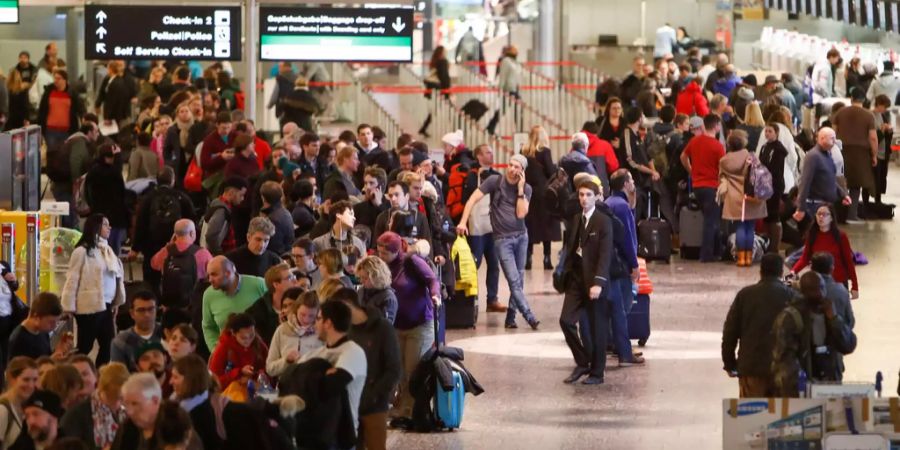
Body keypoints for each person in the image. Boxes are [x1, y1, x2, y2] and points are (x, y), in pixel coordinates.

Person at [456, 155, 539, 329]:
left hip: (522, 237)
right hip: (502, 240)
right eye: (510, 164)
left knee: (520, 278)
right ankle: (529, 315)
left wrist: (521, 189)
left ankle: (511, 318)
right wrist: (463, 222)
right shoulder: (495, 181)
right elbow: (472, 199)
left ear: (522, 171)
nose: (512, 169)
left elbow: (521, 214)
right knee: (513, 279)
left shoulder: (527, 189)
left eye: (517, 167)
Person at [374, 232, 437, 419]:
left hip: (419, 324)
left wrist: (435, 295)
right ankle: (404, 408)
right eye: (378, 252)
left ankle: (411, 411)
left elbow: (432, 279)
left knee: (412, 370)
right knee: (399, 371)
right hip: (397, 325)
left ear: (396, 251)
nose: (380, 257)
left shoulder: (411, 262)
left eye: (384, 253)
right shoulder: (383, 267)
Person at [331, 288, 400, 450]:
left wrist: (374, 395)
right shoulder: (343, 331)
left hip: (374, 405)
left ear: (347, 305)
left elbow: (394, 368)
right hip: (348, 406)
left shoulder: (382, 328)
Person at [560, 180, 613, 386]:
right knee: (566, 320)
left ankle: (597, 373)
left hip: (594, 282)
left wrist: (599, 282)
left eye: (588, 195)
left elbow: (605, 255)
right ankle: (583, 361)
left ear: (597, 197)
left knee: (597, 327)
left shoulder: (603, 221)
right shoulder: (576, 219)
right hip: (576, 280)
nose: (584, 199)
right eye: (581, 195)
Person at [771, 272, 857, 396]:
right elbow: (785, 359)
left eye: (822, 288)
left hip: (830, 384)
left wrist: (834, 319)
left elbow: (848, 345)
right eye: (813, 290)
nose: (819, 293)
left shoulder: (830, 313)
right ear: (803, 292)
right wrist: (806, 386)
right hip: (800, 389)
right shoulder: (790, 318)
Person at [721, 253, 795, 397]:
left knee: (753, 417)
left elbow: (730, 331)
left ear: (761, 271)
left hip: (751, 367)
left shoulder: (745, 295)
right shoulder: (791, 296)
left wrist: (729, 363)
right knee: (781, 416)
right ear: (781, 272)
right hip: (783, 370)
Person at [61, 214, 125, 366]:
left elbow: (115, 277)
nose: (109, 228)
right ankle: (70, 371)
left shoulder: (108, 250)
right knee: (85, 346)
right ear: (95, 227)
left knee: (108, 344)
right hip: (88, 307)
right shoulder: (82, 251)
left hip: (106, 305)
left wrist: (116, 302)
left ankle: (99, 377)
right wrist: (68, 306)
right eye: (105, 224)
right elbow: (72, 279)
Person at [299, 300, 367, 438]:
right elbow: (292, 378)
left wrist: (312, 376)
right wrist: (323, 374)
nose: (315, 324)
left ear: (328, 323)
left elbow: (331, 386)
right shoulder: (316, 353)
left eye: (318, 319)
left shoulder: (353, 351)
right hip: (314, 432)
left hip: (341, 434)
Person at [131, 168, 197, 295]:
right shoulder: (182, 198)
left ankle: (153, 304)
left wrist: (135, 247)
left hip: (152, 246)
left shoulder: (148, 199)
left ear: (157, 180)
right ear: (172, 180)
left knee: (152, 280)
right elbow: (192, 222)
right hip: (178, 246)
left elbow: (141, 225)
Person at [680, 114, 726, 262]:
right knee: (711, 221)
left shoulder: (695, 141)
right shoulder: (718, 146)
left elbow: (683, 156)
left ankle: (717, 251)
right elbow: (722, 168)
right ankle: (706, 255)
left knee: (710, 219)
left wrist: (691, 170)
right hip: (711, 186)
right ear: (717, 126)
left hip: (697, 186)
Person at [718, 130, 767, 266]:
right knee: (750, 228)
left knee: (739, 227)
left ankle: (740, 258)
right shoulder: (750, 156)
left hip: (734, 197)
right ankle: (748, 258)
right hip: (750, 196)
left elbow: (721, 177)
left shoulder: (724, 160)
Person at [200, 256, 268, 350]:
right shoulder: (209, 294)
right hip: (229, 356)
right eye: (208, 276)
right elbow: (208, 327)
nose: (210, 279)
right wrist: (215, 350)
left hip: (260, 351)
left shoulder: (258, 284)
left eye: (214, 275)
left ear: (228, 273)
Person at [791, 203, 859, 295]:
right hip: (819, 282)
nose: (821, 217)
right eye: (819, 214)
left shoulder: (841, 236)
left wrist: (855, 286)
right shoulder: (812, 235)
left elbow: (848, 261)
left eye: (825, 214)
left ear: (831, 218)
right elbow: (805, 258)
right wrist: (793, 272)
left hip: (838, 282)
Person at [60, 362, 129, 450]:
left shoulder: (126, 411)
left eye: (120, 399)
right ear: (102, 389)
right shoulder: (76, 416)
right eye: (113, 398)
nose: (118, 404)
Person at [792, 128, 852, 225]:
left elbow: (830, 179)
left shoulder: (827, 155)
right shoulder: (813, 156)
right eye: (831, 139)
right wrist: (801, 208)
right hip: (815, 206)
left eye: (834, 138)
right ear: (822, 138)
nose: (834, 141)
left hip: (826, 205)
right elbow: (805, 182)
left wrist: (843, 194)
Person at [150, 219, 213, 311]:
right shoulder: (202, 253)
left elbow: (153, 264)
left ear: (175, 235)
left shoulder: (166, 251)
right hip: (193, 305)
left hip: (169, 305)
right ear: (192, 233)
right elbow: (213, 271)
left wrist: (169, 245)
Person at [833, 95, 878, 221]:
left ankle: (839, 214)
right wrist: (874, 155)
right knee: (856, 185)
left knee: (841, 182)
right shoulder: (869, 115)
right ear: (863, 100)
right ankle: (851, 215)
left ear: (851, 99)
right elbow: (873, 137)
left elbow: (833, 133)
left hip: (841, 151)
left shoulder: (840, 113)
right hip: (861, 153)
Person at [521, 125, 561, 270]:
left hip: (528, 192)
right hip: (543, 193)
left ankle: (528, 258)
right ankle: (546, 258)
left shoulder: (523, 152)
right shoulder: (545, 151)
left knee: (530, 225)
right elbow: (551, 171)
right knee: (547, 227)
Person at [169, 355, 222, 450]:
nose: (170, 381)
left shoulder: (204, 413)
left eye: (175, 377)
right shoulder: (174, 403)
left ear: (190, 380)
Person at [84, 144, 129, 255]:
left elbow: (87, 192)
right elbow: (122, 194)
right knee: (114, 246)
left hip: (98, 213)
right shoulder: (115, 173)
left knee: (99, 243)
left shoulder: (93, 171)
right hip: (115, 216)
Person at [266, 291, 322, 377]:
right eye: (302, 314)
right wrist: (286, 361)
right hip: (286, 386)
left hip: (313, 386)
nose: (306, 320)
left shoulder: (322, 333)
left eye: (311, 316)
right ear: (296, 310)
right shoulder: (282, 330)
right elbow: (270, 369)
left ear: (318, 314)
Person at [208, 313, 268, 393]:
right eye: (243, 338)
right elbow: (214, 381)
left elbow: (269, 366)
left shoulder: (257, 342)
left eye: (251, 335)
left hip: (256, 391)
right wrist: (239, 372)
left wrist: (259, 375)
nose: (248, 340)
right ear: (233, 333)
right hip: (231, 395)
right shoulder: (223, 348)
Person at [110, 292, 162, 372]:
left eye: (151, 309)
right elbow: (119, 376)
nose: (147, 314)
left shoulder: (168, 334)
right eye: (141, 310)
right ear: (132, 313)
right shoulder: (121, 341)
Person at [246, 263, 297, 345]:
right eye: (290, 278)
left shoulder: (301, 302)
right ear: (276, 284)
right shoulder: (256, 312)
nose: (295, 281)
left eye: (294, 277)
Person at [8, 293, 68, 361]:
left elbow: (45, 357)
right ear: (36, 317)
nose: (54, 326)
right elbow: (19, 370)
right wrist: (51, 360)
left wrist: (58, 351)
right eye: (51, 322)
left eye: (57, 322)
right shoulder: (19, 339)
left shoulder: (43, 332)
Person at [200, 176, 249, 256]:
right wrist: (219, 254)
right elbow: (211, 236)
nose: (242, 198)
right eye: (241, 195)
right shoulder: (221, 211)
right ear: (231, 192)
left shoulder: (216, 203)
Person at [758, 124, 788, 253]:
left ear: (776, 133)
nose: (767, 133)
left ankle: (774, 247)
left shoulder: (778, 149)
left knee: (774, 215)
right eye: (766, 131)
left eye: (770, 131)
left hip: (774, 184)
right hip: (764, 184)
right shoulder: (765, 147)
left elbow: (775, 168)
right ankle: (768, 243)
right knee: (767, 215)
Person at [37, 69, 82, 151]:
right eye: (55, 78)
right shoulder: (49, 92)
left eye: (58, 78)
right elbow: (42, 110)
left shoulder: (71, 93)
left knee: (65, 154)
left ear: (65, 80)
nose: (56, 81)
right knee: (52, 154)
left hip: (67, 130)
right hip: (50, 130)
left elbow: (80, 108)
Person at [0, 357, 39, 449]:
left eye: (34, 380)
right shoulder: (2, 410)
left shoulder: (26, 407)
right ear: (11, 379)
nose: (31, 385)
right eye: (26, 379)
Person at [95, 61, 137, 131]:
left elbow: (113, 101)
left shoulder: (117, 83)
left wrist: (108, 117)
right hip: (113, 115)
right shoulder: (110, 80)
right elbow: (102, 92)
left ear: (111, 69)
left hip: (116, 116)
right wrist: (98, 104)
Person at [355, 256, 398, 324]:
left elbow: (386, 328)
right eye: (360, 277)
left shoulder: (388, 298)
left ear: (376, 277)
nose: (361, 281)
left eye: (365, 278)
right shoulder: (361, 291)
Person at [420, 46, 451, 137]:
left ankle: (424, 128)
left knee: (434, 110)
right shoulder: (443, 62)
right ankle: (453, 130)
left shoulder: (434, 62)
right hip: (440, 90)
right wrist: (447, 91)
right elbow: (444, 77)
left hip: (432, 89)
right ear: (442, 53)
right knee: (446, 110)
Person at [199, 112, 236, 182]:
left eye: (228, 127)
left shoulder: (235, 136)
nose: (226, 131)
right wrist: (221, 157)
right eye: (223, 128)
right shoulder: (209, 140)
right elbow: (204, 163)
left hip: (233, 172)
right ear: (217, 125)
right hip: (216, 175)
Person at [354, 167, 389, 231]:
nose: (367, 187)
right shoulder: (358, 208)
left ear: (381, 185)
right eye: (365, 183)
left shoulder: (389, 206)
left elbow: (388, 226)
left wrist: (379, 205)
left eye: (371, 183)